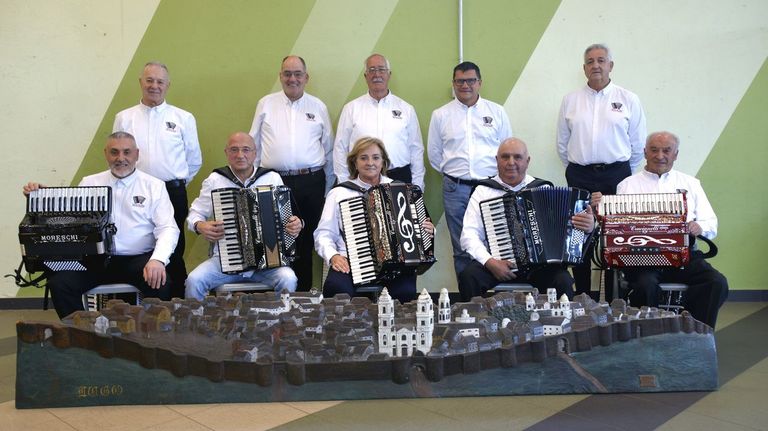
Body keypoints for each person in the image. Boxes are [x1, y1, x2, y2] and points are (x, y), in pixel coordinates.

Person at [22, 132, 179, 319]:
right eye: (114, 152)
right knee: (60, 283)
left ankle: (152, 337)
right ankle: (82, 335)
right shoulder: (90, 183)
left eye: (127, 152)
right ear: (106, 154)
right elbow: (69, 219)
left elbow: (168, 228)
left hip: (137, 260)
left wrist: (158, 260)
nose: (121, 158)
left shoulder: (154, 186)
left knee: (161, 282)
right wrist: (42, 197)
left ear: (137, 154)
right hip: (94, 261)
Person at [595, 131, 728, 328]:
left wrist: (699, 226)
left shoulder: (691, 184)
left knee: (717, 282)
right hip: (641, 258)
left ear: (676, 154)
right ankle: (649, 336)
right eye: (654, 150)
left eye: (667, 150)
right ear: (645, 152)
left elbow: (711, 222)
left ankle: (697, 332)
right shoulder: (627, 185)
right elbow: (617, 226)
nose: (660, 156)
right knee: (644, 286)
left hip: (685, 256)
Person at [556, 43, 647, 298]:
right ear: (583, 68)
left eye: (601, 60)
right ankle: (583, 296)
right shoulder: (570, 100)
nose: (595, 65)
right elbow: (562, 145)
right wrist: (579, 168)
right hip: (579, 174)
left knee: (614, 235)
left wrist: (620, 171)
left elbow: (637, 145)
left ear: (610, 65)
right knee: (579, 234)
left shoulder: (628, 99)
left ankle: (613, 297)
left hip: (616, 175)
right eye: (590, 61)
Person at [459, 138, 594, 302]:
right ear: (496, 160)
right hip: (496, 263)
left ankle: (562, 325)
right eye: (505, 157)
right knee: (468, 276)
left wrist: (586, 229)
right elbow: (469, 235)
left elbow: (567, 236)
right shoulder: (483, 191)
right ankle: (474, 325)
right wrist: (490, 262)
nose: (511, 162)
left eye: (517, 157)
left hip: (539, 268)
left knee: (563, 281)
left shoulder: (542, 188)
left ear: (527, 161)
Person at [113, 61, 202, 299]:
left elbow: (193, 160)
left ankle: (176, 305)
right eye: (149, 80)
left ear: (167, 85)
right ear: (140, 83)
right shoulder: (124, 117)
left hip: (172, 192)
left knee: (173, 248)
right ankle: (134, 304)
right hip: (133, 192)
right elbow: (118, 151)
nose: (154, 86)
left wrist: (173, 182)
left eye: (160, 81)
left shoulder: (183, 118)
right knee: (137, 246)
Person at [249, 55, 334, 291]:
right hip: (274, 182)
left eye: (298, 74)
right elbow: (254, 146)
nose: (292, 78)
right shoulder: (265, 104)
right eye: (287, 73)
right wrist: (255, 184)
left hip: (311, 182)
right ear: (280, 76)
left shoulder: (318, 107)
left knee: (305, 241)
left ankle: (304, 299)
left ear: (306, 78)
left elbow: (328, 149)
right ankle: (276, 295)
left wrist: (326, 191)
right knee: (273, 240)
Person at [314, 137, 435, 304]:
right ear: (354, 163)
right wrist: (333, 256)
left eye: (376, 157)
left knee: (405, 292)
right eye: (363, 158)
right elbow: (323, 234)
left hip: (394, 266)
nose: (370, 162)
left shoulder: (400, 189)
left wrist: (428, 230)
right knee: (336, 288)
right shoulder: (339, 193)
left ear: (383, 162)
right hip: (350, 263)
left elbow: (419, 229)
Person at [184, 132, 302, 300]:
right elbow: (195, 213)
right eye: (234, 150)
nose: (240, 155)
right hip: (225, 262)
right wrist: (199, 225)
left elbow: (287, 217)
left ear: (255, 153)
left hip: (267, 264)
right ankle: (198, 324)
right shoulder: (215, 180)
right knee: (194, 281)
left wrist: (295, 224)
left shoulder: (271, 178)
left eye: (246, 149)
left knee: (288, 279)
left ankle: (278, 323)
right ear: (226, 153)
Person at [427, 61, 512, 279]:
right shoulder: (441, 115)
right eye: (460, 81)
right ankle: (468, 302)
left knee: (497, 242)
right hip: (456, 189)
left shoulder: (496, 112)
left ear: (479, 83)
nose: (465, 85)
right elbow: (435, 154)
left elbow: (507, 149)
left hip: (492, 187)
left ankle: (495, 299)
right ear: (453, 84)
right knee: (462, 247)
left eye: (470, 80)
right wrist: (457, 175)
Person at [333, 54, 425, 189]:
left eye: (381, 70)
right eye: (371, 70)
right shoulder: (351, 109)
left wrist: (418, 185)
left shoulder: (406, 109)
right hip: (362, 178)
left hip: (399, 177)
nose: (377, 74)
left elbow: (416, 149)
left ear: (389, 74)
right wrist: (345, 182)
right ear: (365, 76)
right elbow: (340, 148)